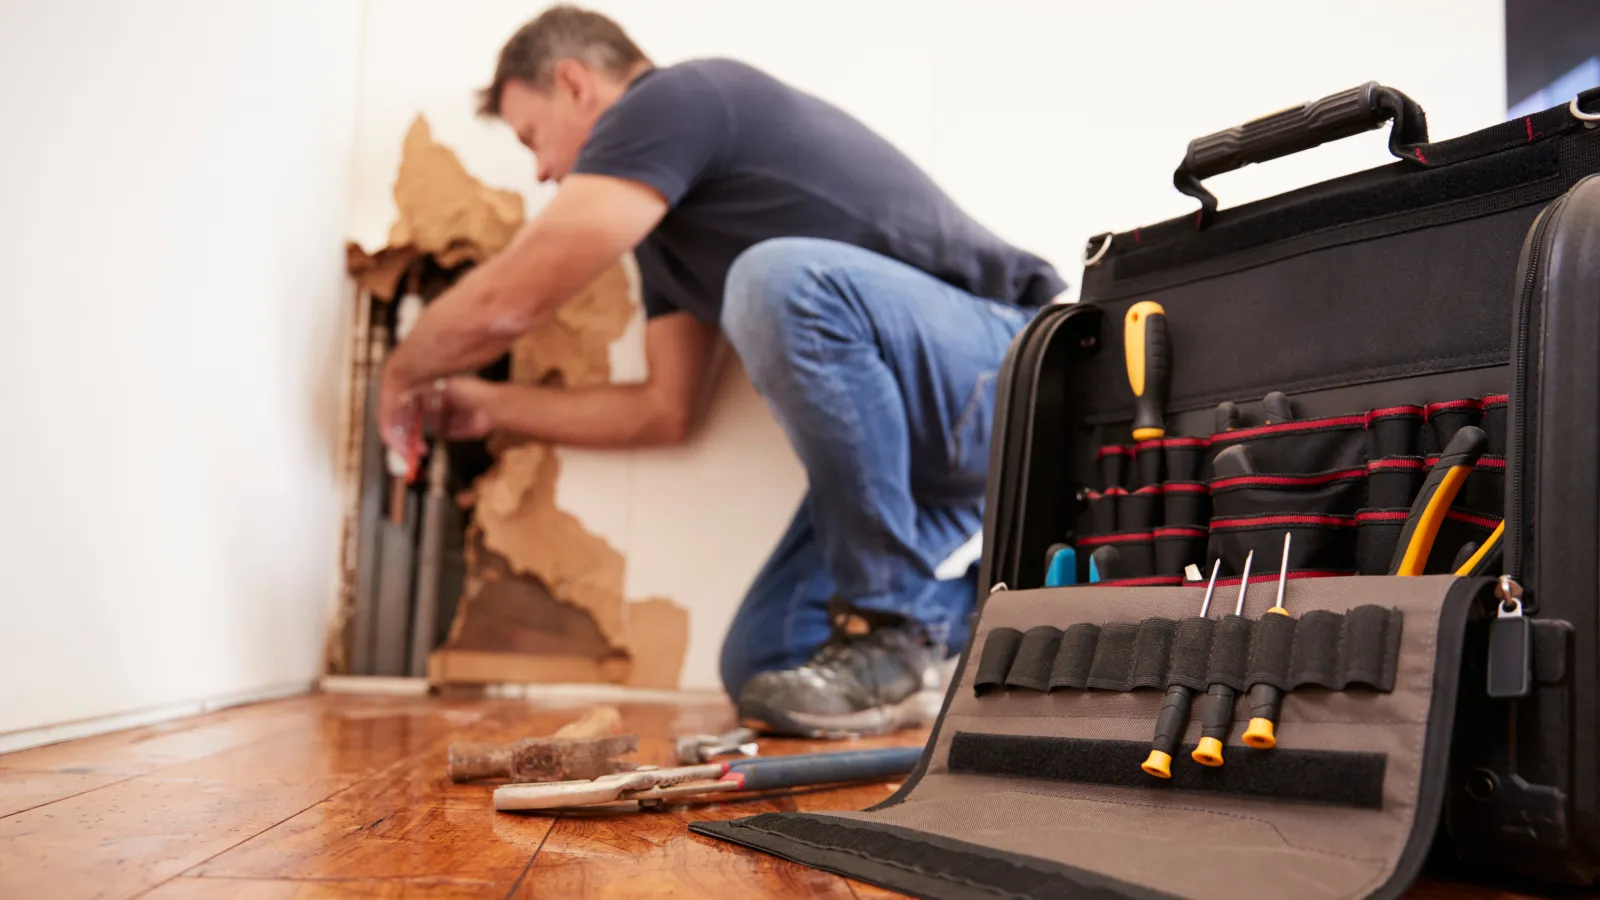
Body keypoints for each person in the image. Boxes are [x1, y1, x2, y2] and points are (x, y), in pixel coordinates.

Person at [378, 5, 1065, 737]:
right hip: (918, 461)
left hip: (1008, 373)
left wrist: (402, 371)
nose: (543, 172)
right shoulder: (665, 242)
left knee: (774, 279)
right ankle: (1030, 621)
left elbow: (517, 297)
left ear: (575, 84)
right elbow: (663, 409)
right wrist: (489, 406)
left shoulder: (676, 100)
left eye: (532, 138)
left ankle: (892, 629)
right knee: (768, 660)